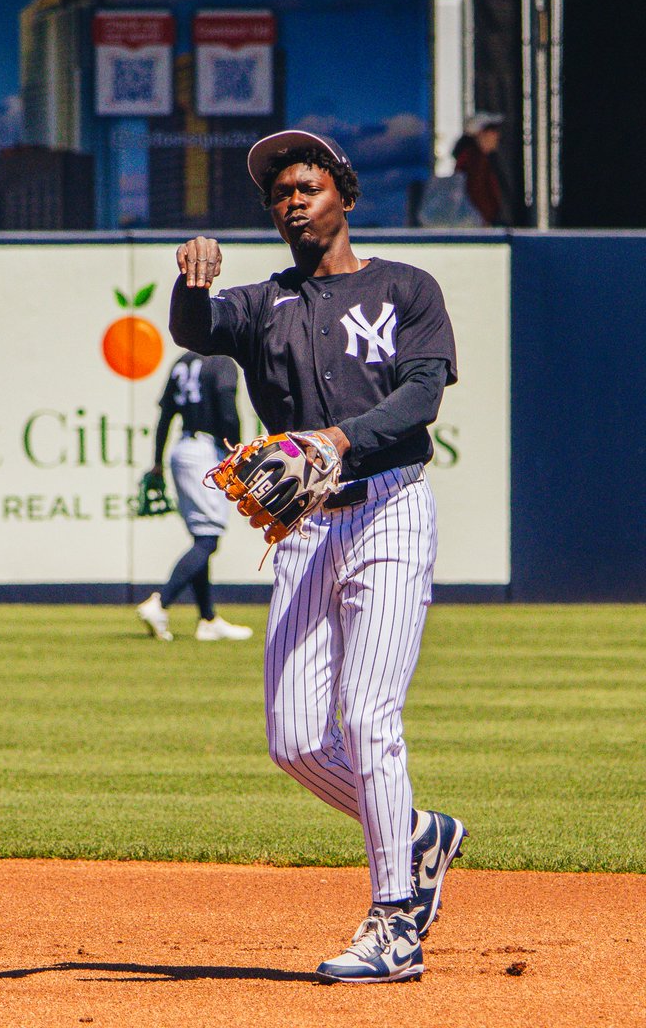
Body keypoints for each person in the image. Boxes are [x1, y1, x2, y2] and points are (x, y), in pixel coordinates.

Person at [168, 128, 466, 984]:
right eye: (278, 193)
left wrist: (336, 438)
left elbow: (420, 395)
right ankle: (416, 834)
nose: (291, 199)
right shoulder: (264, 303)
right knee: (296, 740)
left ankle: (395, 919)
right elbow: (199, 331)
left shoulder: (405, 287)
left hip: (390, 510)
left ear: (344, 195)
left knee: (369, 716)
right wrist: (192, 285)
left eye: (307, 185)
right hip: (303, 530)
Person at [136, 352, 253, 643]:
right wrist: (236, 452)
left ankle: (208, 619)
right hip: (205, 451)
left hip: (182, 448)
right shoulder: (222, 361)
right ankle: (161, 602)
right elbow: (227, 408)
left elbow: (165, 416)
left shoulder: (183, 361)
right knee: (208, 539)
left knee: (202, 536)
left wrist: (158, 461)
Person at [452, 112, 504, 226]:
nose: (496, 136)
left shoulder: (476, 158)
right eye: (492, 131)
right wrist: (485, 220)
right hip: (478, 225)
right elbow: (476, 193)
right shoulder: (474, 160)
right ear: (480, 134)